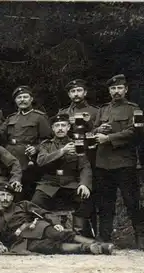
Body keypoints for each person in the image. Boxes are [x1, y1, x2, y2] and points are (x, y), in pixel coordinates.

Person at [93, 74, 144, 249]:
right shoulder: (102, 110)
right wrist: (98, 129)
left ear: (126, 90)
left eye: (119, 88)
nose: (116, 91)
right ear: (109, 91)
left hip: (124, 162)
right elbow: (92, 130)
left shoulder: (134, 109)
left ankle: (140, 238)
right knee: (105, 202)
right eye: (113, 89)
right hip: (103, 163)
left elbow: (135, 132)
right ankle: (105, 237)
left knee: (132, 200)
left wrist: (109, 138)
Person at [0, 182, 114, 255]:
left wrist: (55, 223)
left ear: (12, 197)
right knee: (52, 247)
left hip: (37, 228)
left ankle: (100, 245)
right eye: (2, 195)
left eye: (8, 195)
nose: (5, 198)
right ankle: (89, 248)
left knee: (61, 234)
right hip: (24, 242)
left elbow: (44, 213)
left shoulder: (23, 205)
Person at [31, 113, 94, 238]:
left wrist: (84, 184)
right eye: (57, 126)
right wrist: (62, 151)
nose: (60, 128)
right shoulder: (46, 145)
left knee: (85, 199)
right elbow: (41, 161)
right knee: (35, 203)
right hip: (49, 184)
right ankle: (39, 234)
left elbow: (84, 166)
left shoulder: (77, 145)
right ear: (53, 129)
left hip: (69, 183)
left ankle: (80, 235)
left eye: (63, 125)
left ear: (68, 128)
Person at [0, 85, 52, 200]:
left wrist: (37, 148)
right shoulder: (11, 118)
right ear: (15, 101)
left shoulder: (39, 117)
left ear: (31, 99)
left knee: (26, 191)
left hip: (27, 160)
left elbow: (48, 140)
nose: (22, 100)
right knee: (10, 189)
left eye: (25, 97)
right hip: (9, 158)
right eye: (19, 98)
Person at [58, 79, 99, 233]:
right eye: (73, 91)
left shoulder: (95, 111)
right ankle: (76, 232)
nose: (76, 94)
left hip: (91, 156)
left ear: (85, 92)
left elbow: (99, 132)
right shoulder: (63, 113)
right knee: (74, 193)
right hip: (71, 158)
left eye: (79, 90)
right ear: (69, 94)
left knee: (93, 193)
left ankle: (95, 233)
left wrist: (89, 124)